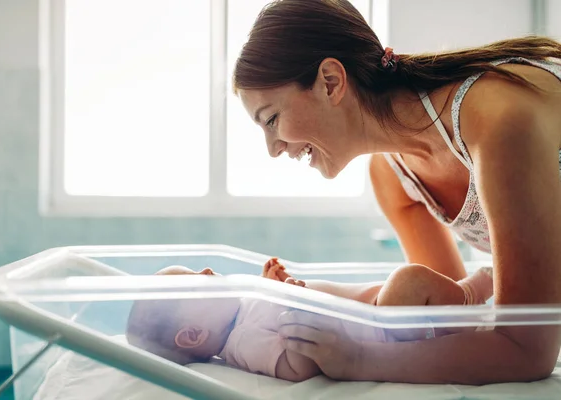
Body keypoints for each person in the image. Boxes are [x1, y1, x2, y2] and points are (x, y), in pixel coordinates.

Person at [231, 0, 561, 385]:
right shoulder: (391, 175)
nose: (273, 149)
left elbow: (527, 351)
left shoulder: (497, 121)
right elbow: (447, 317)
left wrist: (361, 361)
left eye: (272, 119)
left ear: (331, 82)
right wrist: (308, 298)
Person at [125, 258, 493, 382]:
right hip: (381, 331)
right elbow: (297, 367)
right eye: (196, 279)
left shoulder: (242, 312)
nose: (206, 269)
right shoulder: (242, 343)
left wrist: (275, 287)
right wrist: (297, 309)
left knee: (408, 286)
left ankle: (468, 311)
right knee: (410, 281)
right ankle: (473, 296)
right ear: (192, 335)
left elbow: (272, 309)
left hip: (375, 312)